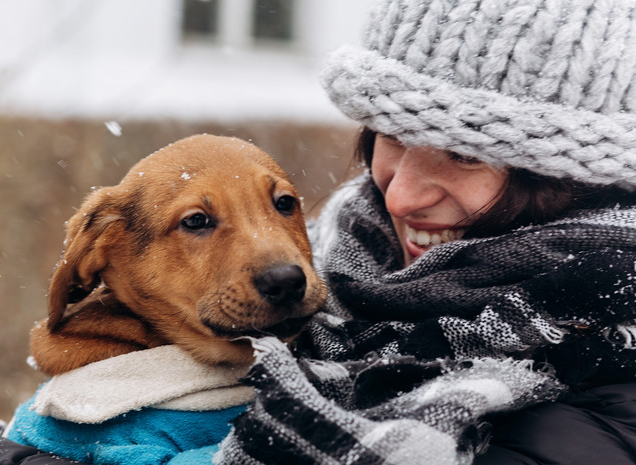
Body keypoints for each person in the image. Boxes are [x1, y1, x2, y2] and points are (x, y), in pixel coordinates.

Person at [214, 0, 636, 464]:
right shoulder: (306, 268)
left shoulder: (607, 390)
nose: (399, 199)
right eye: (392, 135)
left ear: (579, 184)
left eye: (466, 155)